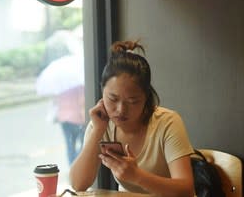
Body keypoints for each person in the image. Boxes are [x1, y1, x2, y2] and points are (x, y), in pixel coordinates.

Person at [69, 40, 195, 196]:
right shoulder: (102, 123)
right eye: (113, 99)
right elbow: (78, 184)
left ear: (146, 98)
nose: (121, 110)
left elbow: (186, 190)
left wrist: (138, 177)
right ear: (102, 92)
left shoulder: (168, 123)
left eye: (133, 101)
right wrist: (98, 131)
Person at [55, 85, 85, 164]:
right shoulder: (79, 86)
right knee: (83, 143)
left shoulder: (60, 87)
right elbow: (82, 101)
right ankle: (77, 164)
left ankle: (72, 166)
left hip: (64, 119)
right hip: (77, 119)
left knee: (69, 145)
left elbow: (56, 102)